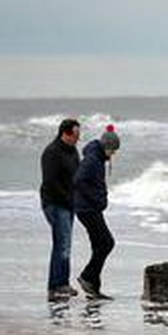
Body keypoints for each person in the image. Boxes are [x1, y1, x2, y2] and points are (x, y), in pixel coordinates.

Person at [73, 124, 120, 300]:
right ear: (106, 147)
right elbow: (78, 180)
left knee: (99, 246)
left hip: (89, 208)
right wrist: (96, 199)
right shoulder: (93, 159)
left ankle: (93, 288)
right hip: (87, 209)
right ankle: (86, 276)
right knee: (107, 243)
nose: (113, 154)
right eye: (113, 150)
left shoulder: (97, 157)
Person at [40, 118, 81, 301]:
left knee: (64, 245)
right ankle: (57, 285)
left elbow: (77, 175)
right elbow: (51, 182)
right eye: (75, 135)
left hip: (69, 204)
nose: (77, 139)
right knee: (62, 245)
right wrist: (68, 201)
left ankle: (60, 284)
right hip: (55, 204)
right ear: (65, 133)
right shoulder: (51, 152)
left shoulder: (72, 151)